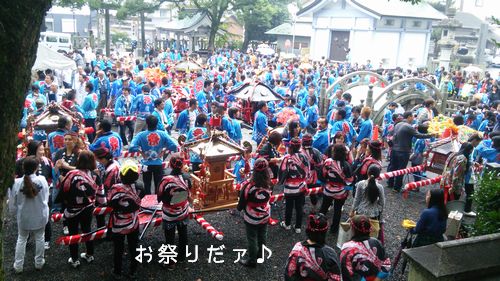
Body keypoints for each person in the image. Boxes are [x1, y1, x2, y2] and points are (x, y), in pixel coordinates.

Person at [57, 151, 104, 268]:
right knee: (87, 229)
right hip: (88, 208)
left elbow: (64, 190)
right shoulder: (95, 175)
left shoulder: (71, 174)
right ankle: (89, 254)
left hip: (72, 209)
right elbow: (102, 197)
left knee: (73, 233)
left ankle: (74, 259)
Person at [9, 156, 50, 273]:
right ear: (37, 167)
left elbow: (12, 204)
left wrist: (15, 212)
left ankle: (18, 265)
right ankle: (39, 263)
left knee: (21, 239)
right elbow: (46, 198)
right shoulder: (42, 180)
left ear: (23, 167)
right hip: (40, 215)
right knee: (40, 238)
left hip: (24, 216)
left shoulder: (16, 183)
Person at [15, 141, 53, 250]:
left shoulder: (46, 162)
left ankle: (47, 239)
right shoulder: (21, 162)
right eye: (40, 149)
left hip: (42, 195)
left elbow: (50, 178)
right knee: (26, 216)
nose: (42, 152)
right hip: (25, 194)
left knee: (44, 218)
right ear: (33, 150)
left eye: (42, 149)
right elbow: (17, 177)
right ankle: (26, 239)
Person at [157, 153, 191, 270]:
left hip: (169, 213)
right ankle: (182, 257)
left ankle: (170, 263)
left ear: (170, 165)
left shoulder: (165, 180)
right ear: (182, 165)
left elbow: (159, 197)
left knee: (170, 238)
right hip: (183, 211)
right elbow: (188, 193)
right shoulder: (186, 177)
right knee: (183, 233)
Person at [108, 161, 142, 279]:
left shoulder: (115, 188)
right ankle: (134, 270)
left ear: (121, 175)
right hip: (134, 222)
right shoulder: (140, 186)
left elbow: (110, 203)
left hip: (118, 223)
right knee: (134, 247)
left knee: (118, 248)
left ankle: (117, 271)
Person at [129, 115, 178, 194]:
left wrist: (141, 152)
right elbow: (174, 146)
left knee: (147, 185)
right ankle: (157, 203)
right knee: (158, 185)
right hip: (158, 163)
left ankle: (147, 203)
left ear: (147, 123)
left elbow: (131, 148)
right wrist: (163, 151)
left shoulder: (141, 135)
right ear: (157, 124)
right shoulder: (163, 134)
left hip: (146, 164)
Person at [237, 158, 272, 268]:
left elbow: (242, 201)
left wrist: (239, 208)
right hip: (265, 213)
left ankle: (252, 260)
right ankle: (260, 255)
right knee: (263, 235)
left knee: (252, 237)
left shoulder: (249, 186)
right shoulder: (270, 184)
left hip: (252, 216)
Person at [284, 214, 342, 280]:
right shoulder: (330, 253)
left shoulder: (298, 249)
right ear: (324, 232)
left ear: (308, 230)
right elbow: (335, 277)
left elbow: (289, 274)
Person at [388, 111, 435, 192]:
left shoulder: (397, 124)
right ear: (409, 117)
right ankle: (397, 187)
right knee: (400, 170)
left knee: (393, 167)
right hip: (403, 151)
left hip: (394, 150)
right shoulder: (408, 127)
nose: (413, 118)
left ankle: (390, 183)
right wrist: (432, 135)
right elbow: (419, 135)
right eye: (412, 116)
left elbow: (391, 135)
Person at [340, 215, 391, 281]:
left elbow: (346, 273)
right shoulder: (377, 242)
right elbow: (386, 264)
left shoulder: (347, 248)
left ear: (353, 229)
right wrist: (377, 278)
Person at [278, 138, 310, 233]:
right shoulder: (304, 157)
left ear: (290, 147)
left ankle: (287, 224)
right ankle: (298, 227)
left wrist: (281, 181)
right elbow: (307, 171)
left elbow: (282, 172)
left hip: (289, 187)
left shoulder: (287, 158)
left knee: (289, 206)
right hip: (301, 186)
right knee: (299, 207)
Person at [320, 144, 353, 234]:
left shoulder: (328, 162)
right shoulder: (346, 164)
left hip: (328, 189)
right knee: (337, 210)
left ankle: (319, 224)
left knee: (324, 208)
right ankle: (334, 229)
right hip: (340, 191)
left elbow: (323, 174)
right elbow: (350, 180)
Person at [351, 165, 385, 240]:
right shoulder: (379, 187)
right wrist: (378, 209)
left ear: (367, 172)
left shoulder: (360, 184)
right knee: (371, 234)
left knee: (358, 231)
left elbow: (357, 199)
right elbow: (382, 202)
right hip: (373, 214)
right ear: (378, 175)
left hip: (360, 212)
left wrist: (353, 210)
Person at [93, 147, 121, 228]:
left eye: (96, 159)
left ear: (102, 159)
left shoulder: (111, 169)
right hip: (116, 192)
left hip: (112, 194)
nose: (96, 161)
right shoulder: (114, 162)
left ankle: (104, 230)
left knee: (100, 212)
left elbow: (107, 187)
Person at [301, 134, 324, 211]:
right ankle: (313, 208)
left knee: (301, 192)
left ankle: (301, 208)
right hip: (312, 175)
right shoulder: (315, 151)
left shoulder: (299, 152)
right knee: (312, 192)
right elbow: (320, 164)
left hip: (301, 175)